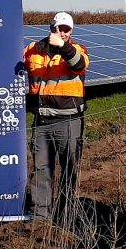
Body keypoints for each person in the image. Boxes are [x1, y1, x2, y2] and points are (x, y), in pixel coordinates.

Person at [18, 12, 89, 222]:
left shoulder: (77, 50)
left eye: (67, 29)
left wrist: (62, 46)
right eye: (60, 28)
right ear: (52, 28)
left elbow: (79, 65)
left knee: (70, 167)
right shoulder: (33, 50)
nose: (64, 32)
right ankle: (40, 215)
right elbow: (14, 59)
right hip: (41, 121)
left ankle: (66, 213)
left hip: (69, 119)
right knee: (41, 169)